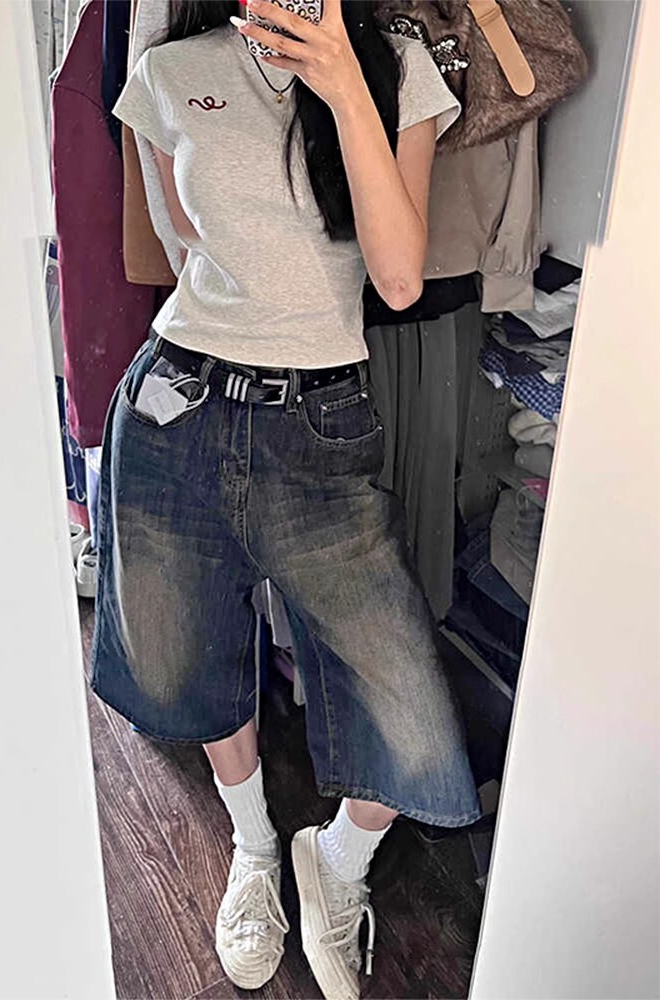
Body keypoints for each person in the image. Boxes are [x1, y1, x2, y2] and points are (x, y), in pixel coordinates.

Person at [91, 1, 481, 996]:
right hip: (178, 404)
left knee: (413, 724)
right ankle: (256, 847)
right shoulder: (171, 70)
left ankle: (334, 861)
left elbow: (398, 277)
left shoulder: (397, 70)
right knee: (185, 660)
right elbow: (182, 249)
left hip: (321, 418)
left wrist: (343, 82)